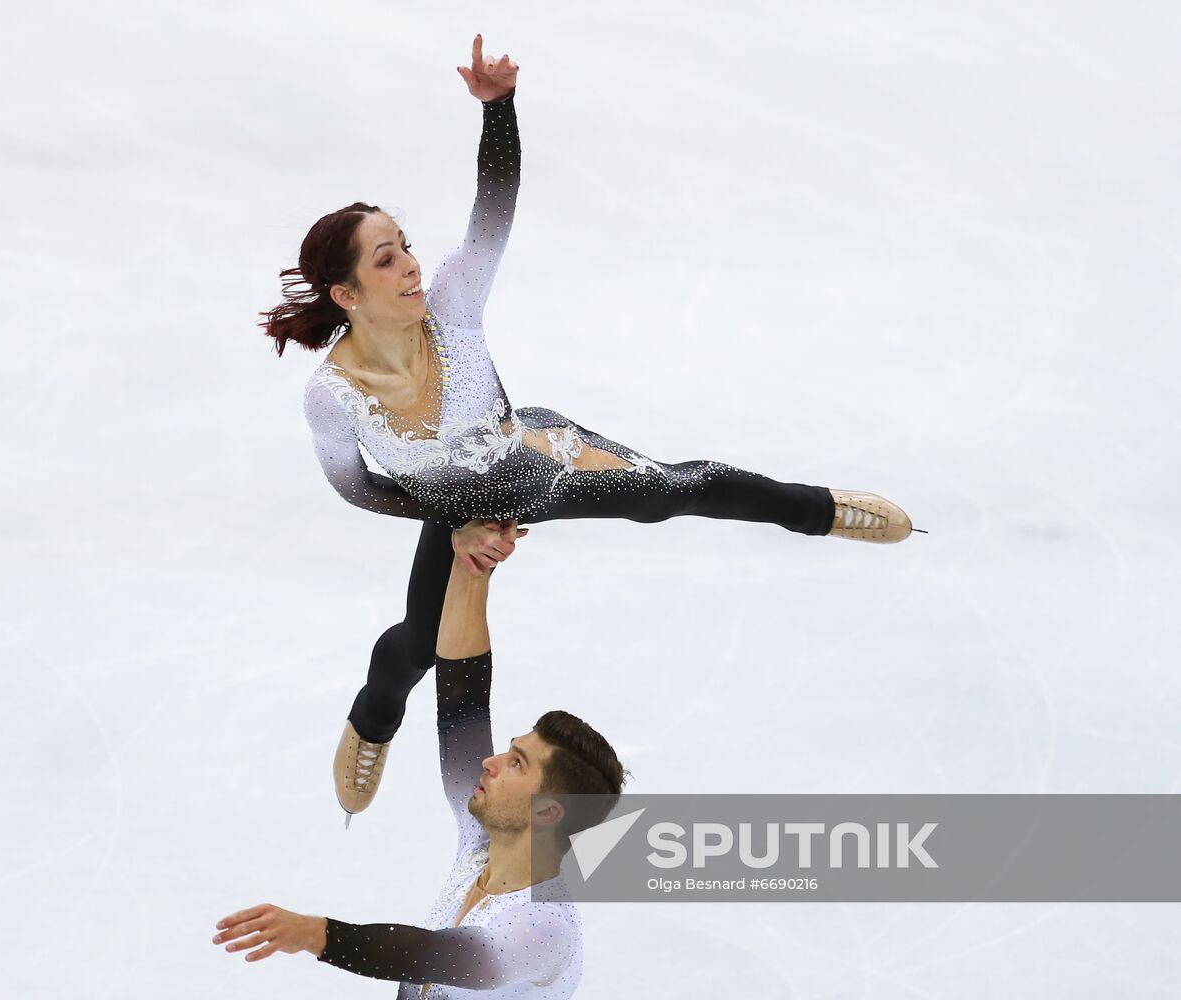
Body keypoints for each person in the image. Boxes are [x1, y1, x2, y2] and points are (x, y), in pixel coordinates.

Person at [258, 35, 921, 818]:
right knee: (416, 649)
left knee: (672, 489)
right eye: (383, 261)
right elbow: (358, 489)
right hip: (448, 506)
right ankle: (371, 725)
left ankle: (820, 509)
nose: (408, 267)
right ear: (345, 294)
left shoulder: (455, 303)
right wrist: (460, 521)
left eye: (403, 248)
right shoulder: (333, 395)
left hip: (530, 457)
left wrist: (497, 111)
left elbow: (492, 209)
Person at [212, 527, 622, 998]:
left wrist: (314, 933)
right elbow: (463, 699)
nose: (490, 762)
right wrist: (475, 568)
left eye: (516, 764)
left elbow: (431, 955)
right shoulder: (484, 843)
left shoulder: (542, 926)